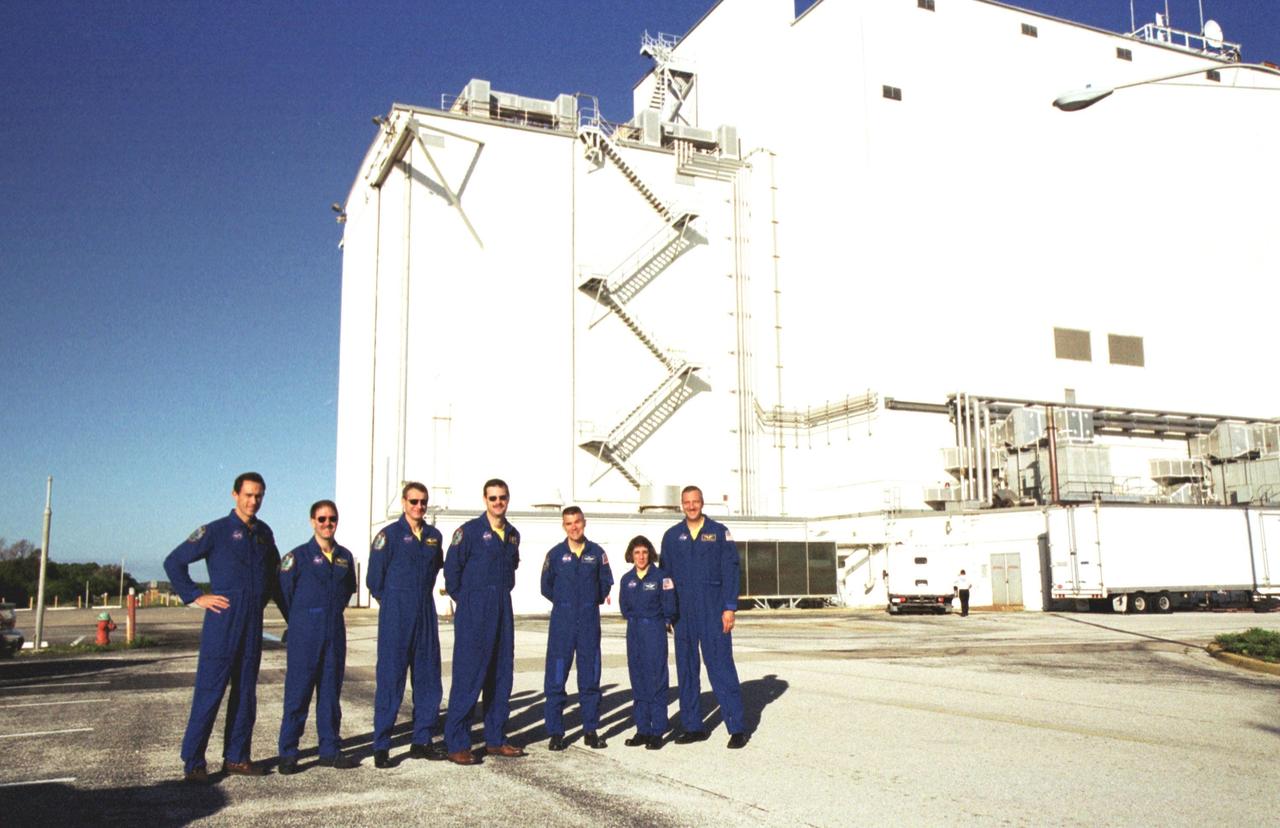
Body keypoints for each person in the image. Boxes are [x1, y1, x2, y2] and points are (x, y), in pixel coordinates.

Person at [164, 472, 285, 782]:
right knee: (210, 691)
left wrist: (292, 618)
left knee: (246, 693)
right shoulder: (215, 531)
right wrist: (195, 596)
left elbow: (274, 578)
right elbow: (173, 562)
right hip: (224, 620)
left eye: (258, 495)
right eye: (247, 495)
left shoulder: (264, 534)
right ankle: (194, 762)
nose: (253, 501)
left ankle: (237, 757)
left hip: (252, 623)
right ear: (234, 495)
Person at [442, 479, 524, 765]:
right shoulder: (469, 532)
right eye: (493, 498)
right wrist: (467, 601)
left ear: (508, 499)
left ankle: (496, 738)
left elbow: (511, 569)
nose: (498, 502)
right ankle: (457, 743)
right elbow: (452, 570)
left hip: (502, 606)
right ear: (485, 500)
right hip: (475, 609)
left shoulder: (512, 534)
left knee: (501, 674)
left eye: (502, 497)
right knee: (468, 676)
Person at [367, 482, 447, 768]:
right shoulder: (388, 536)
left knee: (428, 679)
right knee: (391, 679)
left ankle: (422, 739)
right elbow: (374, 580)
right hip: (396, 614)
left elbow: (437, 568)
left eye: (423, 502)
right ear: (403, 503)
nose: (419, 507)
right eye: (413, 501)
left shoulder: (434, 537)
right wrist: (393, 603)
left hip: (425, 612)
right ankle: (382, 745)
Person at [660, 485, 747, 749]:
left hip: (713, 612)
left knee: (721, 668)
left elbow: (731, 570)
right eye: (687, 502)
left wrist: (729, 607)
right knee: (687, 671)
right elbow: (665, 578)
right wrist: (668, 613)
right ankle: (693, 726)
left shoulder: (719, 533)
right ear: (681, 505)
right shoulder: (672, 536)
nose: (691, 506)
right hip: (683, 615)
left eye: (695, 501)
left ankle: (737, 727)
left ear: (702, 503)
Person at [276, 500, 359, 774]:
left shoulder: (345, 557)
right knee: (298, 694)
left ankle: (330, 749)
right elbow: (284, 594)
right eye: (322, 519)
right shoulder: (296, 557)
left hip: (334, 633)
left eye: (332, 519)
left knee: (330, 695)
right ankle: (288, 753)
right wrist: (302, 619)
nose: (327, 524)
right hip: (305, 635)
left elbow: (348, 590)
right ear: (312, 521)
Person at [541, 506, 614, 751]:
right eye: (569, 523)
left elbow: (605, 585)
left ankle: (590, 730)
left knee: (590, 678)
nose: (574, 527)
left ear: (585, 522)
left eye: (577, 522)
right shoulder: (555, 554)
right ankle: (555, 732)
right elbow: (546, 587)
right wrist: (566, 604)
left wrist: (587, 603)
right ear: (564, 526)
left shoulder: (597, 553)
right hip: (562, 624)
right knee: (556, 679)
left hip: (588, 623)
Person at [618, 535, 675, 750]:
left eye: (644, 552)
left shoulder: (661, 577)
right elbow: (624, 606)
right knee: (638, 679)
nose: (641, 557)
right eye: (636, 553)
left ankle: (658, 730)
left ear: (649, 554)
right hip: (634, 630)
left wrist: (665, 621)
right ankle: (643, 729)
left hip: (654, 629)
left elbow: (669, 604)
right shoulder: (627, 579)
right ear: (631, 556)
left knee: (656, 679)